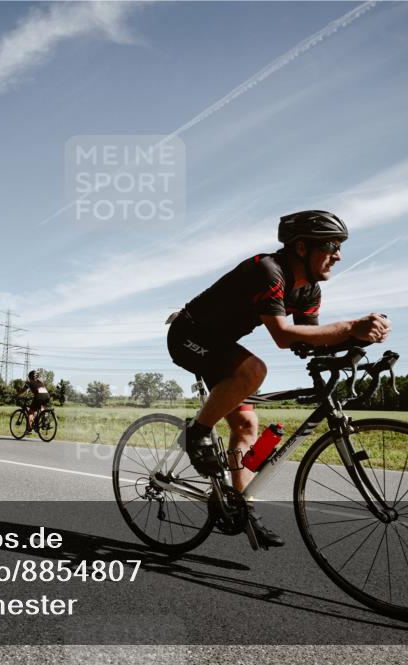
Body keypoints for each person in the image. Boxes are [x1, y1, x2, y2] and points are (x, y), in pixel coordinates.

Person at [167, 210, 391, 547]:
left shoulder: (310, 291)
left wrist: (359, 341)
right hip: (189, 334)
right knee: (254, 371)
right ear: (301, 247)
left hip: (222, 346)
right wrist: (349, 327)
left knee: (246, 427)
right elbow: (284, 335)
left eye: (341, 246)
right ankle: (196, 433)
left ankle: (240, 508)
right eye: (331, 245)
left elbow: (307, 341)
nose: (339, 255)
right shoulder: (268, 270)